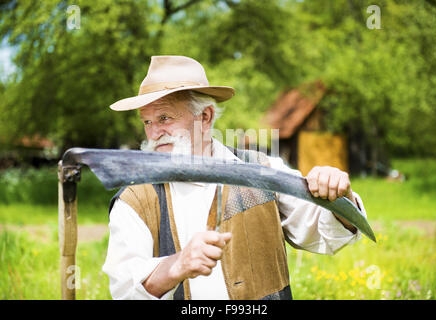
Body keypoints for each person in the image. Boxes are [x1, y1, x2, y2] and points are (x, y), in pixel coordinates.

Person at [102, 55, 367, 300]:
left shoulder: (262, 170)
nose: (154, 132)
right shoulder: (135, 198)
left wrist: (338, 193)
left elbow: (327, 234)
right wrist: (176, 265)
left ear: (205, 117)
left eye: (164, 117)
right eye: (147, 122)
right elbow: (126, 289)